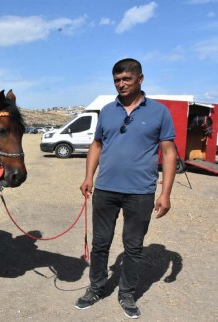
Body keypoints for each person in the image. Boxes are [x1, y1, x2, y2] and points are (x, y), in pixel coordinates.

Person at [75, 58, 177, 319]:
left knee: (133, 246)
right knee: (100, 243)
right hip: (106, 189)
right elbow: (96, 145)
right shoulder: (107, 111)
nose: (121, 84)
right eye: (117, 80)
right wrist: (89, 176)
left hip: (141, 192)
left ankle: (127, 293)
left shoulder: (159, 112)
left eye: (126, 79)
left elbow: (168, 152)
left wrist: (165, 193)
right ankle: (96, 287)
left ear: (140, 79)